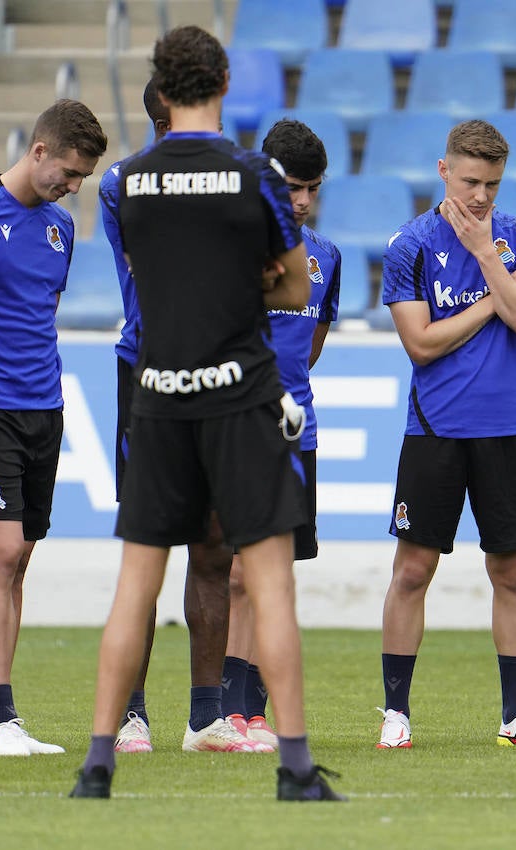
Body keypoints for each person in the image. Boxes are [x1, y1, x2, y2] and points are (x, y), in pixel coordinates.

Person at [70, 24, 342, 801]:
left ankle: (99, 762)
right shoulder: (254, 175)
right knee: (267, 576)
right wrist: (233, 282)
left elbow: (145, 277)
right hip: (237, 392)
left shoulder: (126, 182)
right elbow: (294, 288)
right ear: (223, 80)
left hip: (157, 390)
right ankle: (294, 765)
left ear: (159, 86)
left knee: (135, 581)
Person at [376, 119, 516, 751]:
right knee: (413, 569)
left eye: (492, 184)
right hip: (434, 430)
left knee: (512, 573)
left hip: (509, 426)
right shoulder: (411, 246)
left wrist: (488, 258)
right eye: (470, 181)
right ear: (443, 170)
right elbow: (422, 344)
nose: (481, 195)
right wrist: (495, 299)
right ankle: (396, 714)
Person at [0, 100, 107, 757]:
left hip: (47, 408)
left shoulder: (61, 229)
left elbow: (39, 313)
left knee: (19, 563)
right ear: (38, 150)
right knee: (1, 554)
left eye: (81, 179)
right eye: (66, 172)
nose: (71, 186)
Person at [98, 81, 255, 756]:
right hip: (151, 368)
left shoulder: (236, 175)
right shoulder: (123, 183)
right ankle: (130, 715)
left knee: (215, 547)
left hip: (217, 369)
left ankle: (205, 717)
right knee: (147, 547)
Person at [221, 117, 342, 749]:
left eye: (311, 189)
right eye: (292, 186)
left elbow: (311, 344)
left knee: (275, 576)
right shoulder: (232, 245)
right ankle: (223, 708)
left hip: (299, 430)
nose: (300, 200)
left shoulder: (326, 257)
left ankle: (253, 708)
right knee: (237, 573)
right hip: (236, 424)